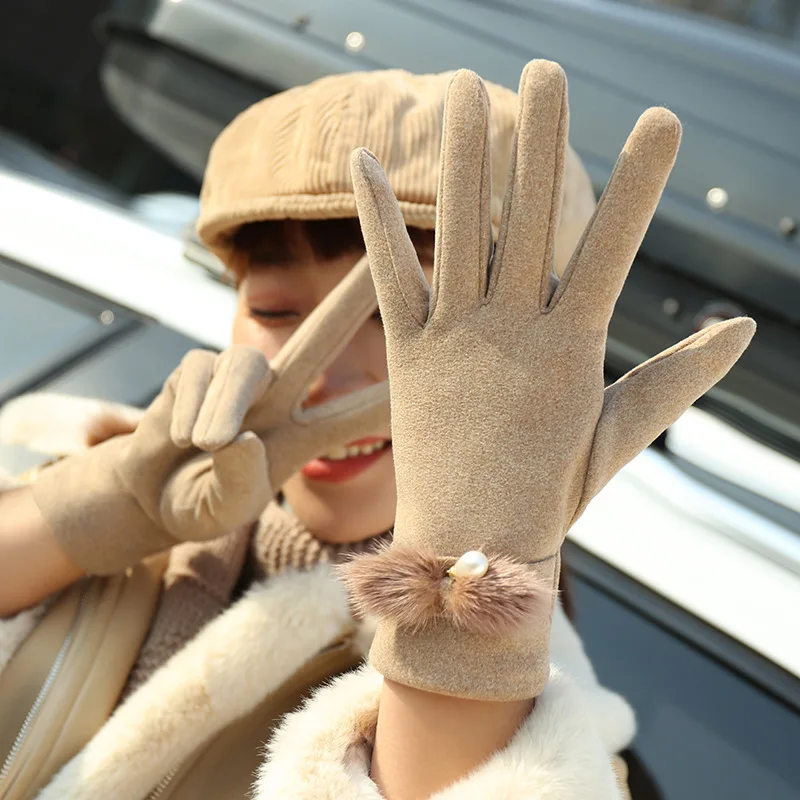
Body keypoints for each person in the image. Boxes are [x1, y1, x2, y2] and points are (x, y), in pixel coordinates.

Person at [0, 62, 752, 799]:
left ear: (540, 368)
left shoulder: (551, 722)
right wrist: (114, 505)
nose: (333, 372)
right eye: (275, 311)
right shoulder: (60, 460)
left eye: (401, 325)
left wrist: (461, 599)